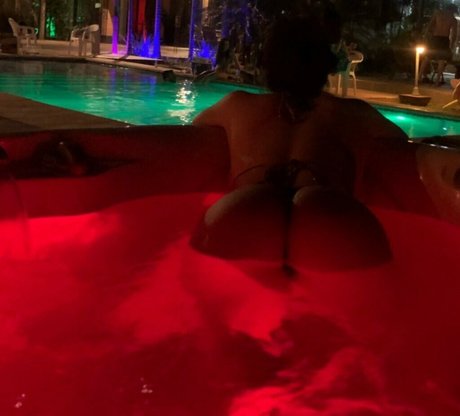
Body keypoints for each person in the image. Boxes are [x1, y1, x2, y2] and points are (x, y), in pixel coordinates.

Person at [190, 14, 437, 275]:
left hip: (244, 212)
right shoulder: (356, 115)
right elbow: (401, 146)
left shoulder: (237, 106)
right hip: (329, 220)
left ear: (268, 63)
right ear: (325, 65)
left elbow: (195, 130)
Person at [420, 3, 458, 85]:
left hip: (435, 37)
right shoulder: (452, 19)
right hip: (444, 39)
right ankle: (437, 81)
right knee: (441, 60)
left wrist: (426, 37)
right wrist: (451, 45)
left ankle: (419, 77)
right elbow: (454, 34)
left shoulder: (438, 13)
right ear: (453, 10)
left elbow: (429, 26)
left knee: (427, 58)